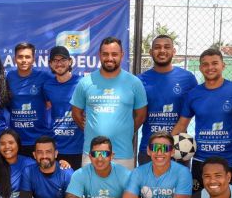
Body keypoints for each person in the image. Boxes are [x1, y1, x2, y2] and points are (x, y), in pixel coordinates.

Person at [71, 36, 147, 170]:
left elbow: (140, 116)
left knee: (125, 192)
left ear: (122, 55)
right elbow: (76, 113)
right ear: (99, 55)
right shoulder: (86, 82)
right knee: (92, 191)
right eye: (105, 54)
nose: (109, 58)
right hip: (92, 155)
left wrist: (126, 130)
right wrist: (91, 129)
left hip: (123, 154)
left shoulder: (134, 83)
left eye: (114, 54)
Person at [172, 48, 232, 191]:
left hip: (230, 160)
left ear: (223, 65)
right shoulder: (193, 94)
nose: (210, 67)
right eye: (205, 64)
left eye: (215, 63)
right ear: (200, 68)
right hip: (201, 159)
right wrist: (166, 146)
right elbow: (181, 124)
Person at [137, 34, 197, 166]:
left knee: (179, 187)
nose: (162, 50)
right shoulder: (140, 80)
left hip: (179, 148)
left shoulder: (188, 79)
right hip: (150, 149)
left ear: (174, 51)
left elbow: (195, 109)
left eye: (167, 47)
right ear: (151, 52)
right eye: (157, 47)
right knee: (148, 187)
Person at [6, 42, 53, 157]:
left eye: (27, 57)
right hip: (16, 140)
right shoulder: (9, 77)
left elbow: (54, 98)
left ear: (33, 59)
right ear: (14, 59)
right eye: (20, 57)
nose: (24, 60)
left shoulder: (44, 77)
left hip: (39, 139)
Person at [43, 46, 83, 169]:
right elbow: (48, 108)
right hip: (57, 148)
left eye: (63, 59)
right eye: (55, 60)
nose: (59, 63)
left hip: (79, 147)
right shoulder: (47, 86)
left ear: (70, 61)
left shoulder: (82, 83)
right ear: (50, 64)